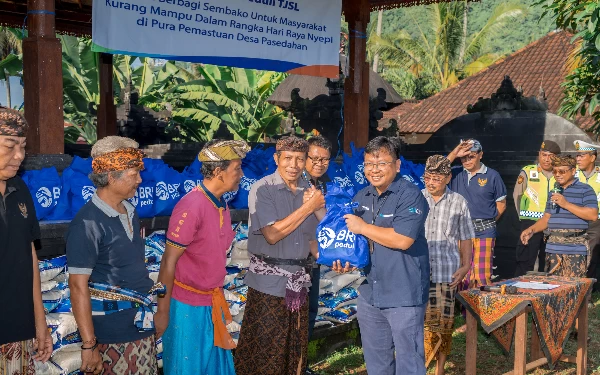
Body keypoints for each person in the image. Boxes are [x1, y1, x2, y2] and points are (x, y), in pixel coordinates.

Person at [67, 136, 162, 375]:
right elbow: (78, 286)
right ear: (111, 177)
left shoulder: (131, 211)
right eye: (133, 174)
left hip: (141, 326)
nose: (140, 180)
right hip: (111, 335)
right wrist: (89, 345)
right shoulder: (87, 223)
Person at [155, 140, 249, 375]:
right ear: (218, 171)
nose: (241, 174)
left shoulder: (222, 205)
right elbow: (168, 262)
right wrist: (163, 312)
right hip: (186, 306)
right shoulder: (192, 205)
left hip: (212, 304)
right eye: (237, 168)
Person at [337, 136, 430, 375]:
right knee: (377, 365)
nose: (374, 170)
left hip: (403, 293)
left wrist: (362, 227)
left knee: (409, 363)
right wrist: (346, 260)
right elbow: (356, 243)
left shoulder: (411, 195)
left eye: (381, 163)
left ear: (397, 165)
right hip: (370, 294)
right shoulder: (362, 197)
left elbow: (402, 239)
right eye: (369, 164)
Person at [235, 136, 325, 375]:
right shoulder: (263, 188)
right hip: (268, 286)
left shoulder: (309, 191)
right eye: (288, 158)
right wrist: (308, 207)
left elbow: (317, 238)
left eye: (299, 159)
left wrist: (337, 256)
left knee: (295, 351)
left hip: (300, 284)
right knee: (265, 352)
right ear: (277, 159)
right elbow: (272, 234)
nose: (293, 165)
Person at [0, 108, 52, 374]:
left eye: (22, 147)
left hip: (20, 327)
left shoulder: (20, 189)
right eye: (10, 146)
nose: (19, 156)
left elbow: (29, 252)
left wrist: (39, 321)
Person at [421, 155, 475, 375]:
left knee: (443, 324)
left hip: (446, 272)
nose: (431, 182)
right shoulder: (416, 198)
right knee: (420, 323)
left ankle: (439, 369)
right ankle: (419, 365)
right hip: (418, 272)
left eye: (436, 178)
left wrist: (465, 266)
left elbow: (466, 237)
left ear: (448, 178)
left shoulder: (458, 202)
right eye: (428, 177)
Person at [520, 155, 598, 277]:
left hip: (575, 249)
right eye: (555, 171)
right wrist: (532, 229)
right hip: (553, 249)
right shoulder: (553, 191)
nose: (557, 174)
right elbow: (546, 218)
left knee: (574, 290)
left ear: (573, 171)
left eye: (562, 171)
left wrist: (566, 204)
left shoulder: (586, 190)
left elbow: (592, 215)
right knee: (554, 289)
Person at [449, 139, 507, 287]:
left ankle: (481, 310)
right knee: (462, 274)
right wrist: (455, 153)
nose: (467, 160)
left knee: (482, 275)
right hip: (460, 231)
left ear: (481, 155)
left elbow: (501, 205)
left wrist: (487, 222)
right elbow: (436, 169)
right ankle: (463, 310)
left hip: (484, 231)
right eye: (464, 157)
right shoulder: (454, 173)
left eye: (472, 156)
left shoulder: (493, 176)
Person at [303, 135, 331, 375]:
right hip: (296, 261)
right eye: (314, 158)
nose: (319, 163)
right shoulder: (298, 184)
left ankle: (302, 364)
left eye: (325, 159)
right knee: (297, 315)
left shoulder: (320, 184)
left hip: (314, 260)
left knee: (310, 312)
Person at [513, 140, 561, 276]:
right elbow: (517, 195)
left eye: (551, 156)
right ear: (539, 154)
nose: (546, 159)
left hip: (552, 223)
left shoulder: (560, 175)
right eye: (544, 155)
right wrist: (522, 218)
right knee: (525, 259)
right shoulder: (528, 172)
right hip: (530, 222)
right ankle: (519, 286)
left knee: (548, 261)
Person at [573, 140, 600, 288]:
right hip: (575, 220)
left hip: (596, 223)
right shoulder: (572, 175)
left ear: (592, 157)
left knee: (592, 257)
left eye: (582, 155)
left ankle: (589, 290)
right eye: (577, 155)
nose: (578, 159)